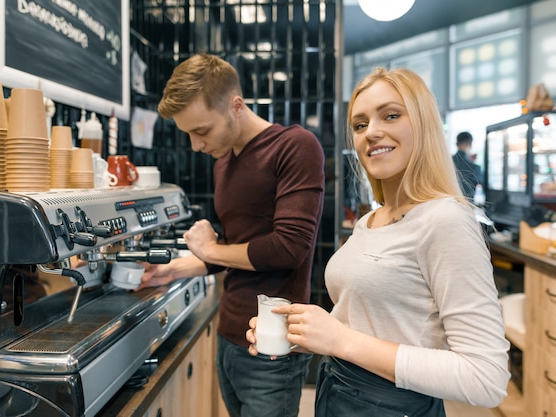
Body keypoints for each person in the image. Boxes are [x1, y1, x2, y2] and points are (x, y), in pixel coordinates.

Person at [246, 67, 510, 416]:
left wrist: (341, 340)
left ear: (424, 124)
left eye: (391, 115)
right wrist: (311, 337)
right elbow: (376, 326)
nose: (371, 132)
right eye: (359, 124)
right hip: (337, 393)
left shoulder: (446, 220)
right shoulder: (372, 220)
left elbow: (485, 378)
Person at [139, 53, 325, 417]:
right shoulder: (224, 161)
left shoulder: (294, 146)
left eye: (202, 130)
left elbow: (289, 248)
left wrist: (209, 249)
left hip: (271, 346)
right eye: (189, 133)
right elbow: (236, 248)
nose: (195, 145)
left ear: (236, 106)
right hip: (229, 338)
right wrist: (174, 270)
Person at [452, 131, 483, 199]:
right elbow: (481, 183)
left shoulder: (447, 161)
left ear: (456, 144)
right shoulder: (474, 167)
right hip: (466, 206)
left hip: (447, 205)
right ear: (470, 143)